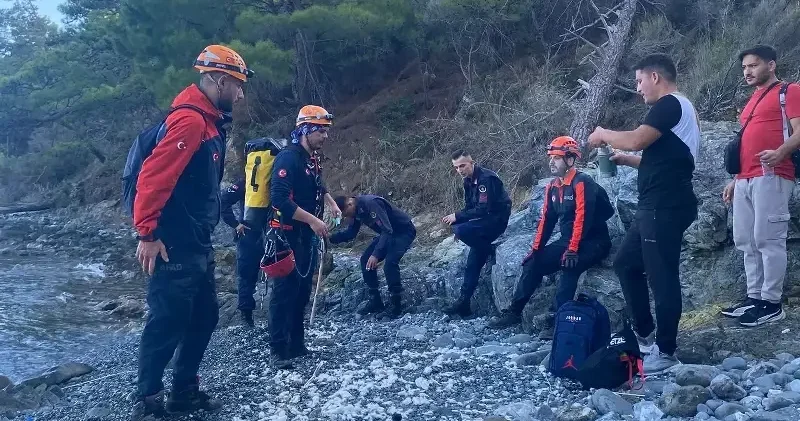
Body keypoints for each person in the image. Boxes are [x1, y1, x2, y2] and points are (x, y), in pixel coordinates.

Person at [131, 45, 250, 419]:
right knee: (167, 320)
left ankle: (184, 389)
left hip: (197, 243)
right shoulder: (191, 122)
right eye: (236, 85)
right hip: (174, 245)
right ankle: (148, 401)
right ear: (217, 80)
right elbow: (153, 177)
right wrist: (148, 234)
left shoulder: (210, 123)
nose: (241, 94)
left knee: (205, 317)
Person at [587, 53, 700, 374]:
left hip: (665, 205)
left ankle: (666, 351)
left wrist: (604, 134)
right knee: (626, 264)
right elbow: (669, 159)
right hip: (657, 204)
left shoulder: (669, 104)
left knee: (662, 276)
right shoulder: (680, 110)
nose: (638, 88)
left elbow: (637, 139)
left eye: (639, 81)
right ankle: (647, 336)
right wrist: (627, 160)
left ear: (655, 77)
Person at [488, 137, 613, 337]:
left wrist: (572, 250)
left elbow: (583, 218)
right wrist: (536, 250)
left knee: (569, 264)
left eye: (557, 158)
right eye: (551, 157)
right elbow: (547, 220)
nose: (551, 162)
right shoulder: (553, 187)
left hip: (594, 241)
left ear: (571, 159)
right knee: (533, 263)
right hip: (569, 240)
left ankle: (558, 318)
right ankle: (514, 312)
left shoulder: (583, 183)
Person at [721, 45, 800, 327]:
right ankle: (754, 298)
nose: (747, 72)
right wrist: (735, 179)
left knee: (768, 239)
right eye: (744, 68)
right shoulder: (753, 99)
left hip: (774, 174)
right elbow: (746, 142)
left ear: (771, 65)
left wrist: (781, 152)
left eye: (753, 66)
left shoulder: (789, 91)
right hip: (745, 178)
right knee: (746, 240)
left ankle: (771, 302)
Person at [268, 105, 341, 369]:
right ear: (305, 130)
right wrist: (313, 220)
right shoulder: (288, 158)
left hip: (306, 234)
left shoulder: (312, 159)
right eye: (320, 131)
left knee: (301, 291)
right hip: (288, 234)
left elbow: (317, 184)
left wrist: (330, 202)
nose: (325, 136)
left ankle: (297, 344)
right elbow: (278, 199)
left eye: (326, 131)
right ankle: (278, 349)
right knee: (284, 292)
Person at [441, 151, 512, 318]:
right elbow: (469, 208)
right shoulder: (467, 181)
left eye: (463, 165)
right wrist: (462, 223)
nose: (460, 170)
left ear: (472, 163)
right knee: (473, 261)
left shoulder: (485, 179)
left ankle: (490, 250)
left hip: (496, 220)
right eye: (456, 167)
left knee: (461, 230)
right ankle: (464, 303)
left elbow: (483, 209)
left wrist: (458, 219)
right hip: (483, 221)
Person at [330, 194, 417, 318]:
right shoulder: (355, 211)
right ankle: (375, 301)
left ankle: (396, 305)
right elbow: (351, 232)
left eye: (346, 213)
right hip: (388, 234)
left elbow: (387, 230)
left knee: (390, 264)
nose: (347, 216)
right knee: (365, 260)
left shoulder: (371, 204)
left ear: (349, 204)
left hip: (403, 231)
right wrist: (331, 238)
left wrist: (376, 254)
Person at [220, 177, 263, 327]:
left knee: (246, 276)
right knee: (280, 273)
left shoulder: (248, 179)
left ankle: (247, 317)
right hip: (273, 232)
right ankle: (282, 315)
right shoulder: (277, 177)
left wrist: (235, 224)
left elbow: (224, 200)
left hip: (247, 233)